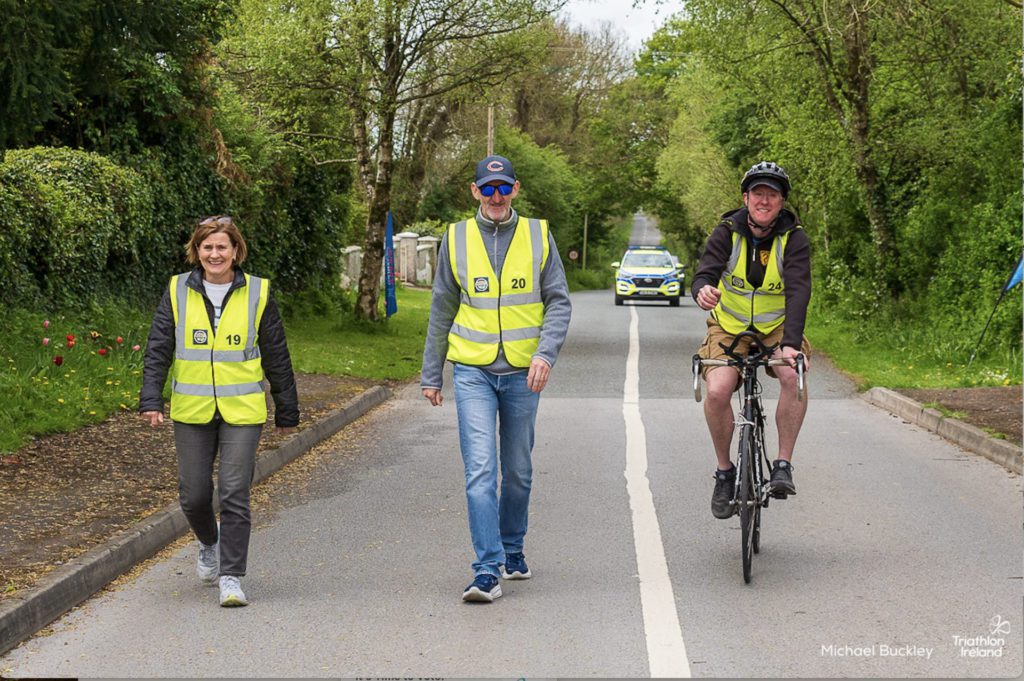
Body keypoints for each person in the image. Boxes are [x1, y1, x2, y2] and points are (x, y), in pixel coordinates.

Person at [421, 155, 572, 603]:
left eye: (502, 188)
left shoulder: (538, 235)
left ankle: (512, 548)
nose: (495, 197)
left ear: (515, 189)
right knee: (481, 470)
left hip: (525, 373)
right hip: (473, 371)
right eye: (487, 189)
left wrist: (546, 354)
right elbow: (442, 307)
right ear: (474, 192)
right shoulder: (457, 237)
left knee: (519, 471)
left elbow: (558, 302)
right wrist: (433, 373)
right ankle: (485, 570)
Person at [140, 215, 299, 607]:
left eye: (222, 247)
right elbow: (159, 345)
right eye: (207, 247)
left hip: (242, 409)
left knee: (233, 492)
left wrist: (287, 409)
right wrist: (150, 398)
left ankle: (232, 577)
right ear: (197, 251)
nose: (215, 254)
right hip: (192, 409)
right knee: (194, 496)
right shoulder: (178, 289)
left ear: (235, 251)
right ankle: (208, 542)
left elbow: (277, 354)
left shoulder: (258, 293)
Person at [691, 161, 811, 519]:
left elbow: (799, 291)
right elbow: (704, 274)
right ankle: (725, 472)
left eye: (772, 194)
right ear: (745, 197)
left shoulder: (794, 237)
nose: (764, 200)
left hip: (777, 326)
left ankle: (783, 465)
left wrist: (790, 343)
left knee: (793, 375)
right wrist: (703, 291)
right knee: (717, 390)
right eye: (757, 193)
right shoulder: (727, 232)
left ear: (782, 201)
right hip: (729, 327)